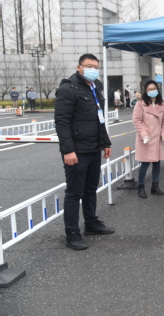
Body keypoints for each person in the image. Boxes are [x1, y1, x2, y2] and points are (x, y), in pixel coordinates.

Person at [54, 54, 114, 250]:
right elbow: (62, 122)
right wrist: (68, 150)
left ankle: (91, 223)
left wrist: (105, 142)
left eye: (96, 67)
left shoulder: (95, 88)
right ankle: (72, 233)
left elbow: (100, 119)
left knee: (90, 189)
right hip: (77, 151)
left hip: (94, 147)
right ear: (79, 67)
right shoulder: (68, 89)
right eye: (89, 66)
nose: (93, 70)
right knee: (74, 192)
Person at [133, 80, 164, 198]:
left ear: (157, 89)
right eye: (149, 89)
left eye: (154, 88)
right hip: (146, 138)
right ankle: (141, 187)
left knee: (157, 163)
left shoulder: (161, 104)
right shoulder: (140, 104)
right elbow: (136, 121)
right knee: (144, 163)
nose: (152, 91)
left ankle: (155, 186)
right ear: (145, 91)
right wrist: (144, 134)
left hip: (157, 137)